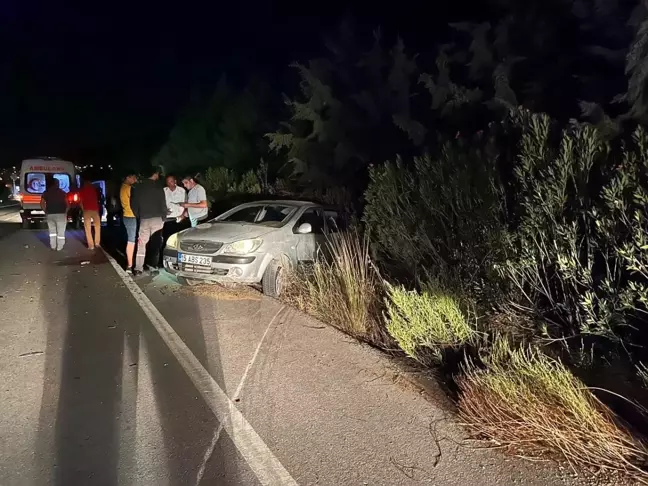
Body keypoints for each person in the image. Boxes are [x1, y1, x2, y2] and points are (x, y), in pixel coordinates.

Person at [131, 167, 167, 276]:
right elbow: (163, 204)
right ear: (155, 174)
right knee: (155, 244)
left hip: (144, 219)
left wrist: (139, 215)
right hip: (157, 219)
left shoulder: (138, 187)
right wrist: (164, 217)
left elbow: (133, 205)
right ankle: (153, 267)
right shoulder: (158, 187)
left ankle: (138, 268)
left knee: (141, 243)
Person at [156, 175, 186, 266]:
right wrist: (164, 211)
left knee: (179, 241)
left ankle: (179, 261)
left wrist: (183, 215)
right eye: (168, 182)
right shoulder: (164, 191)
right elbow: (159, 204)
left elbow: (186, 204)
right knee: (166, 240)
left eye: (171, 181)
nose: (170, 183)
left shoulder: (182, 191)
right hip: (168, 220)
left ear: (175, 181)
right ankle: (163, 261)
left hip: (179, 219)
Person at [40, 178, 68, 251]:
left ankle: (53, 246)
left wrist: (45, 211)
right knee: (61, 232)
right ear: (57, 184)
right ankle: (60, 247)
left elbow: (42, 203)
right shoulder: (62, 192)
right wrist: (66, 212)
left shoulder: (46, 192)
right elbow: (68, 204)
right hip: (61, 214)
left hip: (50, 214)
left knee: (52, 232)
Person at [120, 172, 138, 273]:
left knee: (131, 240)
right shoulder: (129, 188)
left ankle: (130, 263)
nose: (135, 180)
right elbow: (134, 202)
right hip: (131, 216)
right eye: (134, 178)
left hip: (126, 215)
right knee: (131, 241)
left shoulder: (123, 187)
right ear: (128, 177)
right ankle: (130, 265)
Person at [79, 179, 101, 250]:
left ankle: (91, 245)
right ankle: (97, 243)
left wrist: (83, 210)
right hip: (95, 210)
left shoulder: (82, 191)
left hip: (87, 210)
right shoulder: (94, 190)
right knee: (97, 227)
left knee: (87, 228)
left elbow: (80, 202)